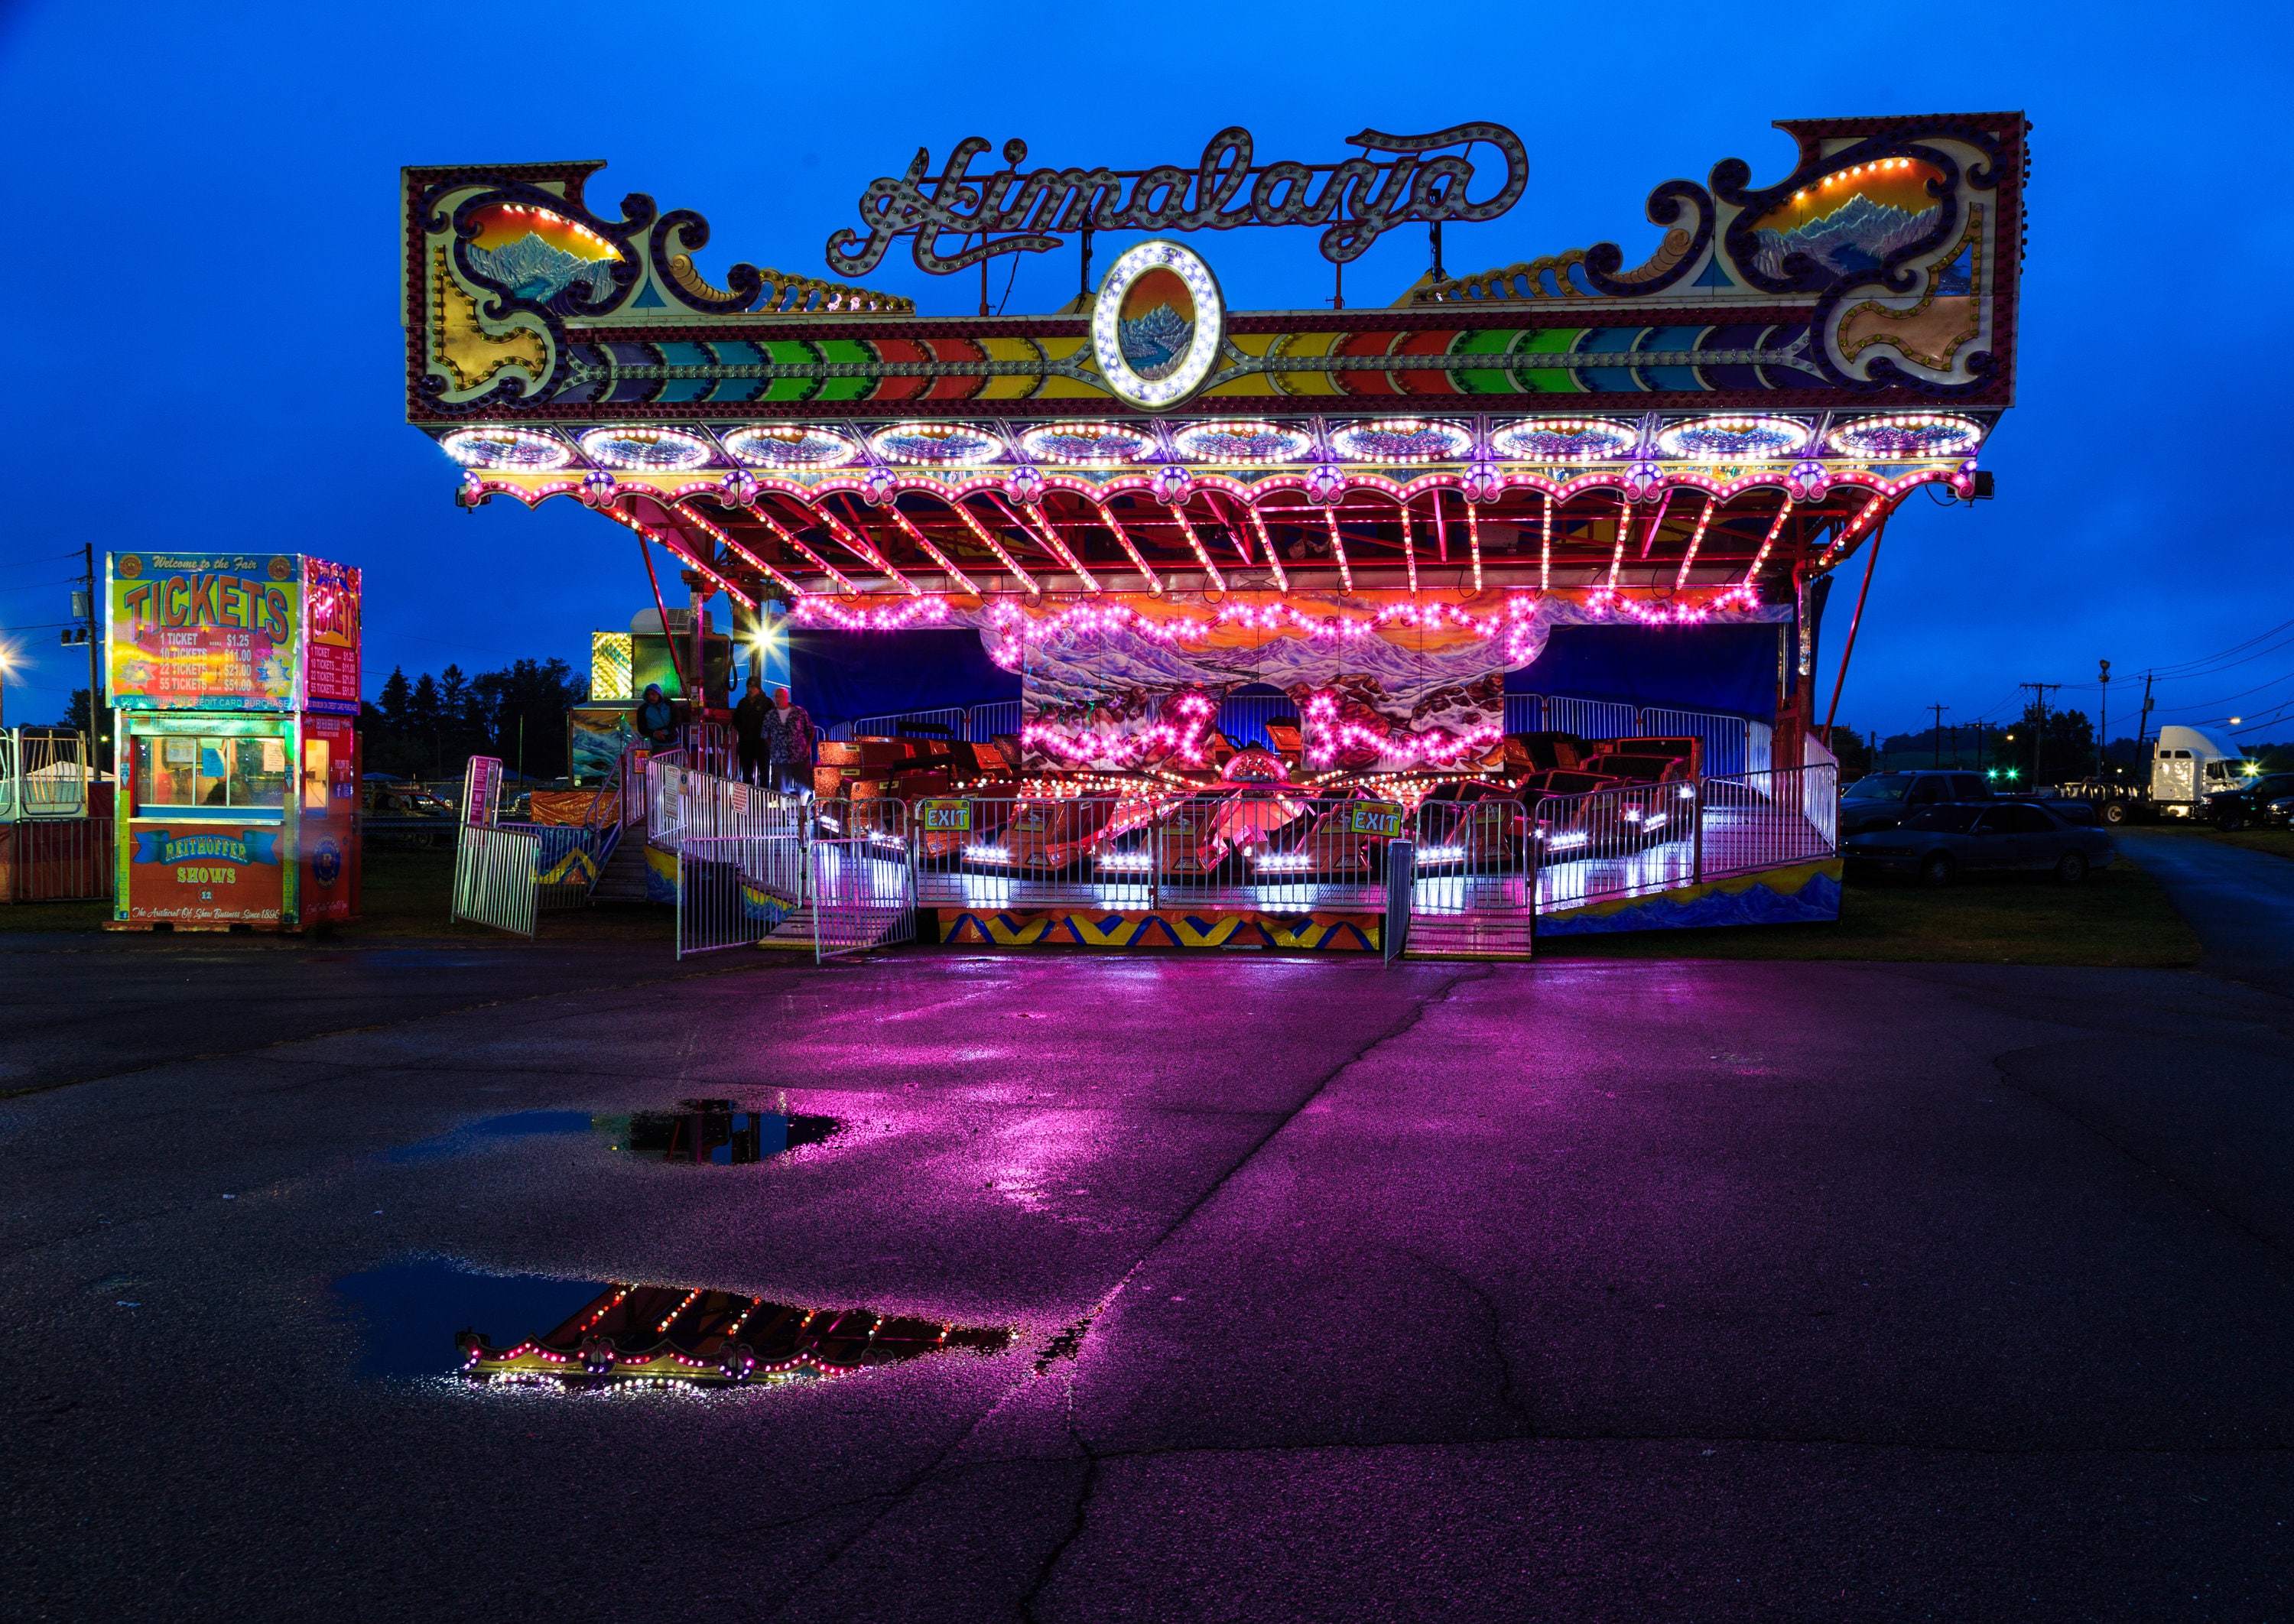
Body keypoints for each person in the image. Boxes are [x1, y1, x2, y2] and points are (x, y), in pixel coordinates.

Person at [765, 685, 814, 796]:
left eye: (781, 696)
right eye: (776, 697)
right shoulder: (770, 715)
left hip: (799, 755)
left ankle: (803, 808)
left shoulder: (799, 712)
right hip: (780, 757)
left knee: (804, 785)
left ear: (787, 697)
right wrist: (772, 748)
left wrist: (808, 746)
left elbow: (811, 730)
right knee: (782, 787)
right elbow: (765, 734)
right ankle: (783, 811)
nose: (778, 699)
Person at [733, 671, 772, 784]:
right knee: (746, 772)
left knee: (764, 772)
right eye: (748, 686)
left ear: (758, 688)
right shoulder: (743, 703)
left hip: (762, 742)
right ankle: (749, 798)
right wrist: (743, 730)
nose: (749, 689)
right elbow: (736, 719)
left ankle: (763, 797)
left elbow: (773, 720)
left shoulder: (767, 703)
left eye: (752, 687)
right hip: (746, 742)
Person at [635, 682, 677, 748]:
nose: (651, 697)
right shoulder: (643, 709)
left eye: (653, 694)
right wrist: (654, 734)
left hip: (674, 742)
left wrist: (665, 731)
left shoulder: (669, 704)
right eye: (648, 695)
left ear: (659, 694)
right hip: (657, 745)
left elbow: (676, 720)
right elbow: (642, 728)